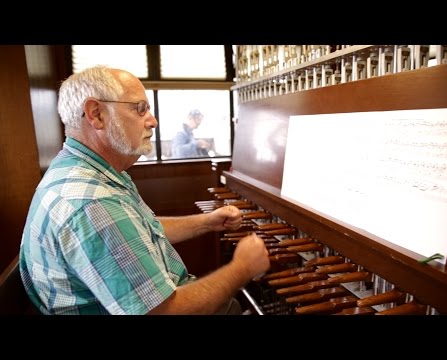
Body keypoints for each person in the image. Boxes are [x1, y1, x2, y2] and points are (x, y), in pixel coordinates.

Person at [18, 65, 270, 315]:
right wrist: (242, 268)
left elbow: (139, 228)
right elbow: (162, 312)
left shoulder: (84, 170)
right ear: (96, 114)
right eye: (140, 109)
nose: (153, 120)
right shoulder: (92, 203)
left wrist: (207, 222)